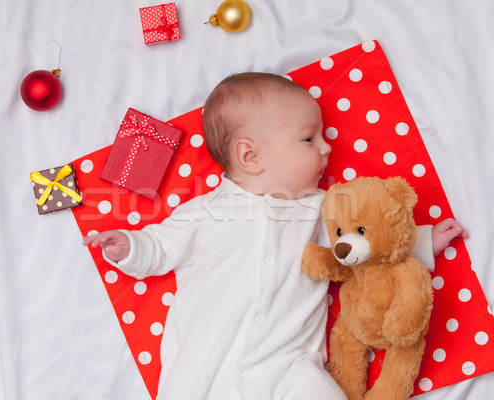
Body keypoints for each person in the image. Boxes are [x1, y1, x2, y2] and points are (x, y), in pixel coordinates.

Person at [83, 72, 467, 400]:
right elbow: (159, 248)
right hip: (208, 364)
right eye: (309, 139)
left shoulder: (323, 208)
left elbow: (362, 246)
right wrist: (128, 246)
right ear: (250, 157)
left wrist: (420, 243)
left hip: (290, 365)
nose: (327, 147)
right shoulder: (204, 212)